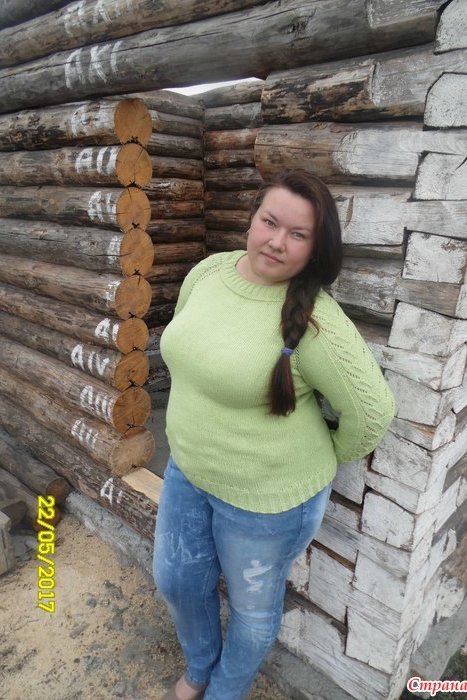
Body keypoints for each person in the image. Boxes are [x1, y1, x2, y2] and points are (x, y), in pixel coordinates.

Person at [153, 169, 395, 700]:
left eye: (298, 234)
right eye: (270, 222)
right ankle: (198, 669)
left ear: (315, 248)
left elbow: (373, 412)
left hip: (267, 500)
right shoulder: (209, 272)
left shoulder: (317, 323)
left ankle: (222, 692)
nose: (277, 241)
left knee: (253, 611)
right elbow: (190, 351)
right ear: (252, 219)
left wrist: (325, 457)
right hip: (188, 468)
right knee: (176, 581)